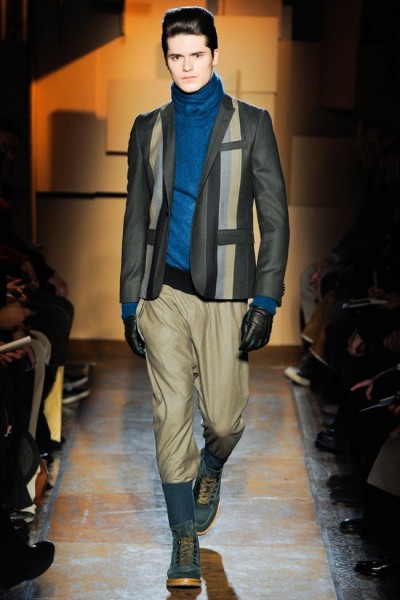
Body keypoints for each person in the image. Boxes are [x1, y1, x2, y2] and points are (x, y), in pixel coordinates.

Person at [120, 6, 289, 589]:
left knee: (222, 418)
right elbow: (135, 218)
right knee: (170, 414)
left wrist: (265, 299)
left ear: (215, 55)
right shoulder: (148, 127)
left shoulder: (253, 123)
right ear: (166, 59)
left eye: (197, 54)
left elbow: (275, 219)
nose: (187, 66)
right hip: (163, 291)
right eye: (176, 56)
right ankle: (183, 539)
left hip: (227, 293)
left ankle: (211, 465)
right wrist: (129, 301)